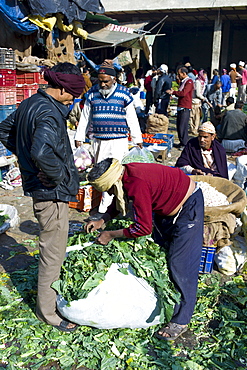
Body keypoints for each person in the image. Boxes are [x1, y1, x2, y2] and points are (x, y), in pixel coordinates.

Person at [0, 62, 85, 332]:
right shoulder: (49, 113)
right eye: (72, 94)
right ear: (60, 89)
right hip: (50, 192)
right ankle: (48, 313)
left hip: (39, 186)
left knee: (52, 248)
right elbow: (41, 152)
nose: (74, 99)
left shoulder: (30, 103)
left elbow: (4, 130)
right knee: (52, 252)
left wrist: (23, 156)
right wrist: (57, 175)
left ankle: (49, 300)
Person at [85, 158, 204, 341]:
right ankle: (170, 296)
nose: (109, 192)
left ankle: (182, 319)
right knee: (164, 249)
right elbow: (119, 197)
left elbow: (143, 228)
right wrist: (103, 219)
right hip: (169, 207)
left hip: (189, 206)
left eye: (108, 188)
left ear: (113, 180)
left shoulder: (136, 183)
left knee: (180, 263)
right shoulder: (124, 174)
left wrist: (111, 234)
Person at [74, 60, 143, 219]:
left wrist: (137, 138)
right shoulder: (92, 94)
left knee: (117, 175)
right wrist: (79, 136)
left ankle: (120, 207)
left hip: (118, 142)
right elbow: (85, 117)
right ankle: (105, 209)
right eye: (100, 81)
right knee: (103, 176)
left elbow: (131, 118)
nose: (103, 84)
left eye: (106, 81)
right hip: (98, 142)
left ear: (114, 80)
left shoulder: (124, 94)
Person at [167, 66, 194, 149]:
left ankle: (184, 143)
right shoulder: (182, 82)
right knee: (179, 125)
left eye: (179, 74)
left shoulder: (189, 82)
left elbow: (183, 93)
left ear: (184, 74)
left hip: (185, 107)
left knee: (183, 126)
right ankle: (181, 141)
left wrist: (173, 92)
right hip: (180, 105)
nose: (178, 76)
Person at [189, 70, 211, 135]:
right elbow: (198, 94)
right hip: (194, 101)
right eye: (204, 75)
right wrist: (204, 99)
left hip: (198, 102)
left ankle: (195, 129)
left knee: (197, 117)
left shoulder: (201, 82)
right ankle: (193, 129)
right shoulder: (197, 82)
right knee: (193, 117)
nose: (205, 76)